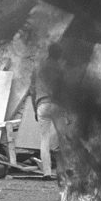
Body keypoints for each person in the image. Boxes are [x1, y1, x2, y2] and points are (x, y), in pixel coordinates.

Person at [30, 42, 65, 179]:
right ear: (58, 54)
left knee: (44, 139)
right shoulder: (59, 68)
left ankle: (47, 172)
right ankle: (64, 171)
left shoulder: (37, 69)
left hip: (41, 105)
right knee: (62, 139)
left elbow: (32, 90)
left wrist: (34, 108)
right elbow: (63, 90)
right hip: (56, 104)